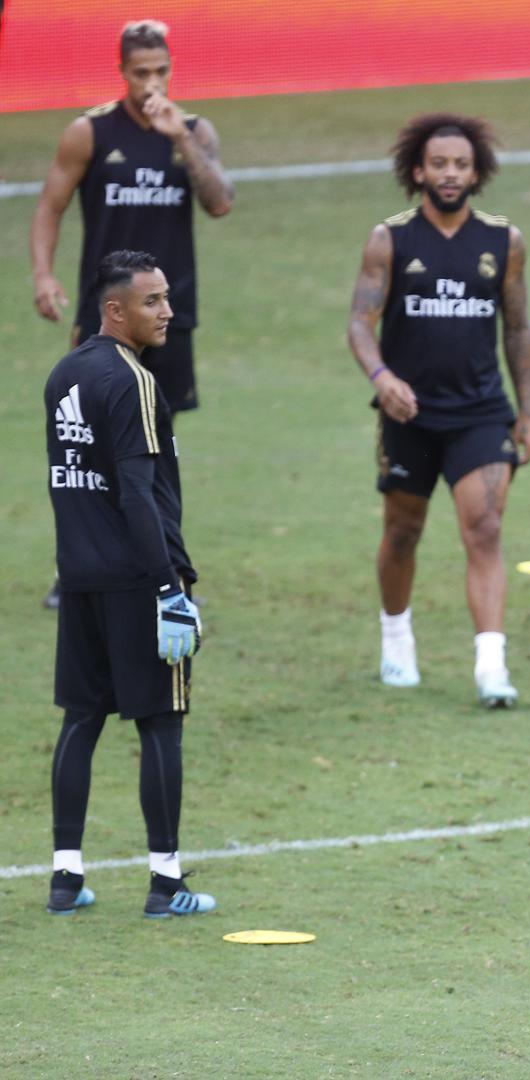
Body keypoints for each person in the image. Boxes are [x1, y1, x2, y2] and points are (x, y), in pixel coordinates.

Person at [30, 19, 233, 610]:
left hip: (170, 317)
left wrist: (181, 140)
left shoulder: (194, 130)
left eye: (160, 71)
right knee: (89, 448)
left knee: (160, 448)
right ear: (122, 71)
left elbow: (220, 202)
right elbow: (50, 205)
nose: (151, 83)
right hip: (106, 321)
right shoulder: (89, 132)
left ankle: (164, 570)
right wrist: (43, 274)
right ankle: (74, 571)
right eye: (141, 72)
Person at [44, 249, 216, 918]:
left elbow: (71, 482)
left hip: (79, 576)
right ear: (115, 311)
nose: (168, 310)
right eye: (152, 301)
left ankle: (64, 878)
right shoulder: (134, 381)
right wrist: (169, 589)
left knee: (81, 717)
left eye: (166, 297)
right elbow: (138, 494)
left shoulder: (65, 373)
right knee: (162, 724)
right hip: (139, 579)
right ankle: (165, 883)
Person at [347, 113, 530, 707]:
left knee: (486, 529)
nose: (449, 174)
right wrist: (382, 377)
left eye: (460, 164)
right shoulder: (390, 239)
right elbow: (360, 322)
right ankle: (396, 637)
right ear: (418, 171)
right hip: (409, 416)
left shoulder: (503, 242)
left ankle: (491, 667)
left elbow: (518, 328)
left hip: (481, 413)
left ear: (477, 173)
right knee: (403, 532)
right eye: (438, 164)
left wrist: (527, 410)